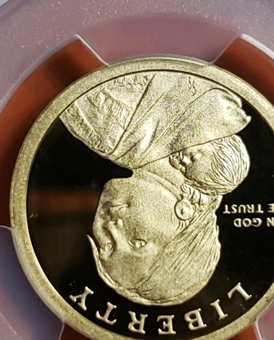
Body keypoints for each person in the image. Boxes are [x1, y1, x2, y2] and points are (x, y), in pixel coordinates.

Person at [61, 70, 251, 305]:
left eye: (106, 246)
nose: (110, 228)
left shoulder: (113, 140)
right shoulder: (113, 133)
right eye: (137, 242)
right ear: (184, 214)